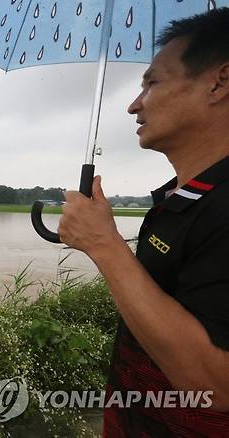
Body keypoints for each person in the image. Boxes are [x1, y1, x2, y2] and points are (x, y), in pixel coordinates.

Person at [57, 7, 229, 437]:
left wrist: (103, 243)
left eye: (152, 82)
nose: (134, 104)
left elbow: (214, 383)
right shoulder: (183, 198)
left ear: (219, 82)